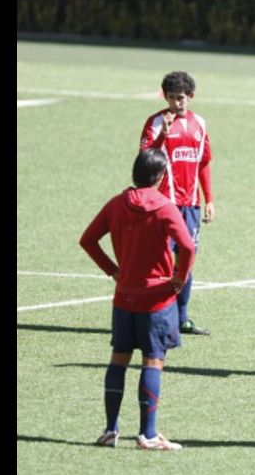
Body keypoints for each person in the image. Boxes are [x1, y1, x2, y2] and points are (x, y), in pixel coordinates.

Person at [80, 149, 195, 450]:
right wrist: (180, 278)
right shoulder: (165, 207)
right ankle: (148, 434)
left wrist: (113, 271)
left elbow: (87, 240)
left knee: (118, 359)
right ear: (160, 175)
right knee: (153, 362)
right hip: (157, 301)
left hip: (124, 298)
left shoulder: (117, 204)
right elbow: (187, 245)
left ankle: (109, 430)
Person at [139, 71, 213, 335]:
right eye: (171, 98)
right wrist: (163, 137)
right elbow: (146, 159)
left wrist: (209, 199)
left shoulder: (200, 124)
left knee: (186, 261)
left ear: (190, 97)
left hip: (190, 205)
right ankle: (152, 315)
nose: (176, 104)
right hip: (163, 205)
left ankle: (182, 318)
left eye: (180, 98)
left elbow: (203, 162)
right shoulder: (156, 122)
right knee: (158, 261)